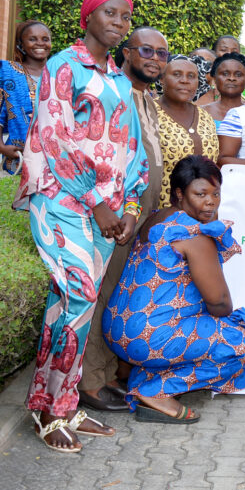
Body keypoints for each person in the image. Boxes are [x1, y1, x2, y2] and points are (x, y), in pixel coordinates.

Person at [15, 0, 148, 452]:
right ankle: (52, 410)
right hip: (63, 202)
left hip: (108, 213)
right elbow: (54, 140)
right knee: (81, 294)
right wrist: (98, 203)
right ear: (87, 17)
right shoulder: (62, 67)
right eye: (109, 13)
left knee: (71, 306)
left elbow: (132, 151)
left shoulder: (119, 82)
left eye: (125, 17)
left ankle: (58, 403)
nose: (118, 22)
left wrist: (129, 208)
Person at [103, 155, 245, 423]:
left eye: (216, 193)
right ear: (179, 193)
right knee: (243, 344)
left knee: (196, 323)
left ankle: (139, 373)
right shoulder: (194, 234)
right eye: (201, 194)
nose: (211, 201)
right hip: (148, 338)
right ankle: (155, 391)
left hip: (116, 329)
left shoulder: (158, 217)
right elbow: (220, 304)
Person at [79, 26, 168, 414]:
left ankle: (104, 373)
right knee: (100, 295)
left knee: (116, 293)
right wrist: (116, 210)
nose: (155, 58)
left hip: (137, 213)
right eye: (146, 50)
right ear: (127, 52)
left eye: (162, 54)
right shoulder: (112, 92)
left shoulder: (145, 98)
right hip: (113, 214)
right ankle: (89, 383)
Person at [156, 56, 220, 208]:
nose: (185, 80)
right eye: (177, 74)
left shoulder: (205, 116)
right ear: (162, 80)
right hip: (160, 213)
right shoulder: (148, 113)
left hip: (202, 214)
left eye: (191, 76)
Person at [0, 20, 51, 174]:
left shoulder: (60, 73)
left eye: (45, 39)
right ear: (20, 44)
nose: (40, 43)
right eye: (32, 39)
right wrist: (0, 146)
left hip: (57, 160)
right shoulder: (7, 71)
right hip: (19, 159)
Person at [201, 52, 245, 123]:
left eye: (238, 75)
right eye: (225, 74)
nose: (231, 78)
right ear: (215, 78)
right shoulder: (201, 113)